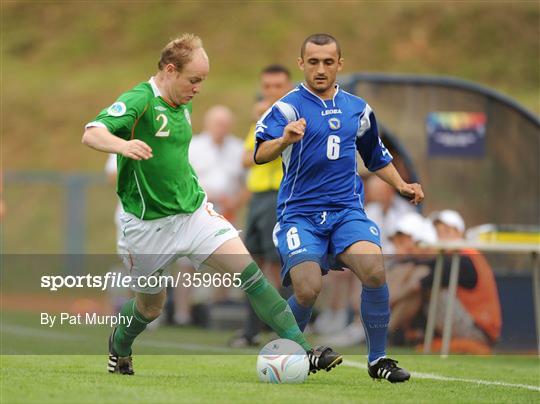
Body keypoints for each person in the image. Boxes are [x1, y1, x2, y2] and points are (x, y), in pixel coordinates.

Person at [82, 34, 341, 375]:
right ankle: (120, 344)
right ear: (170, 71)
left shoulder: (182, 99)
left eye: (202, 80)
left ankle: (305, 350)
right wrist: (122, 146)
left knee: (251, 274)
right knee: (150, 308)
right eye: (194, 80)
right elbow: (91, 132)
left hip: (193, 215)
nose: (198, 88)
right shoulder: (139, 100)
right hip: (146, 229)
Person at [254, 33, 424, 383]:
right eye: (313, 62)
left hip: (346, 212)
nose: (320, 69)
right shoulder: (286, 107)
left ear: (339, 65)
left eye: (328, 62)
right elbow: (259, 154)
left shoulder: (358, 109)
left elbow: (376, 157)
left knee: (375, 271)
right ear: (301, 64)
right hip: (299, 215)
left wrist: (401, 185)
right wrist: (284, 139)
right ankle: (287, 351)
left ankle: (378, 360)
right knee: (307, 288)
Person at [230, 64, 293, 347]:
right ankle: (252, 330)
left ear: (289, 88)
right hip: (258, 198)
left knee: (279, 266)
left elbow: (256, 156)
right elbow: (245, 158)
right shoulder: (262, 121)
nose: (271, 92)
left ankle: (285, 327)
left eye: (278, 86)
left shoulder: (292, 119)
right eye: (267, 87)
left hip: (280, 196)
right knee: (251, 266)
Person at [189, 105, 245, 222]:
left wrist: (235, 203)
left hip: (228, 213)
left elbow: (248, 182)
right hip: (198, 209)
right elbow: (185, 180)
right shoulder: (192, 147)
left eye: (225, 124)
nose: (221, 128)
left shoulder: (239, 148)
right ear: (207, 123)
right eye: (218, 123)